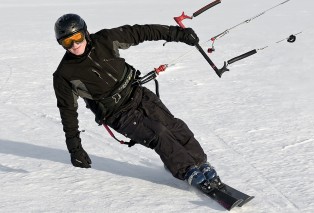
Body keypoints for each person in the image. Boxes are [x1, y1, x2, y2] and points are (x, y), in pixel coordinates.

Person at [53, 13, 217, 186]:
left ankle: (201, 163)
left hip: (138, 94)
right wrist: (75, 149)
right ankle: (188, 170)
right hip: (118, 114)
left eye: (77, 37)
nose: (75, 45)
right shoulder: (64, 74)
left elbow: (141, 32)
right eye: (67, 42)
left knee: (175, 126)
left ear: (85, 32)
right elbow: (67, 112)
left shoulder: (106, 39)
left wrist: (178, 34)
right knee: (159, 133)